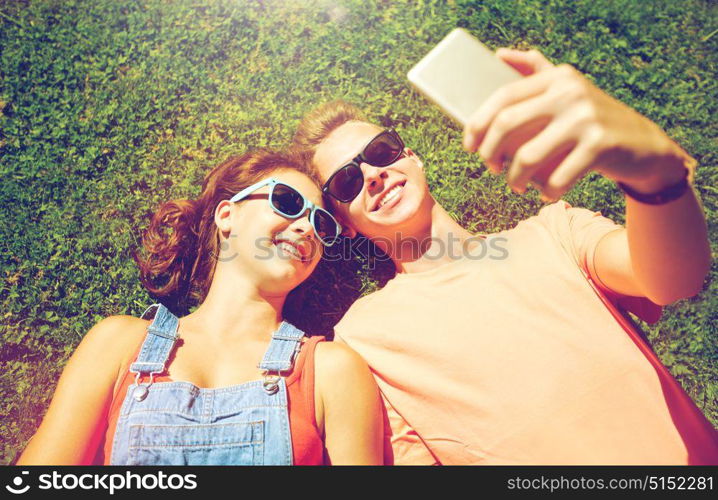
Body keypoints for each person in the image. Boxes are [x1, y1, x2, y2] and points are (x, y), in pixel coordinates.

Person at [291, 48, 718, 465]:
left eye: (380, 152)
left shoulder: (557, 232)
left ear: (412, 158)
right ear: (342, 223)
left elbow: (676, 280)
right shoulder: (363, 339)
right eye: (346, 181)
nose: (372, 176)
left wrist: (652, 172)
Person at [17, 149, 383, 465]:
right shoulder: (117, 344)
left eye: (321, 224)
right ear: (227, 215)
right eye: (287, 202)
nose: (306, 228)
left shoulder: (332, 372)